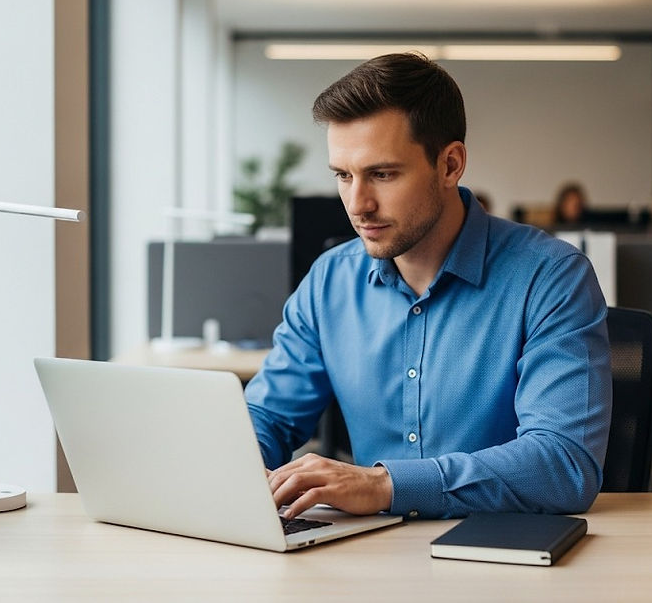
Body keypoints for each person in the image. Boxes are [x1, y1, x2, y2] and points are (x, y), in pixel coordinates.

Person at [244, 53, 611, 520]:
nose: (358, 204)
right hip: (369, 555)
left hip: (503, 558)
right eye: (343, 176)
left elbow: (563, 464)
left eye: (382, 174)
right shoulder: (329, 281)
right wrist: (239, 463)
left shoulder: (550, 276)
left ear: (450, 165)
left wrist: (384, 485)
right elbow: (268, 416)